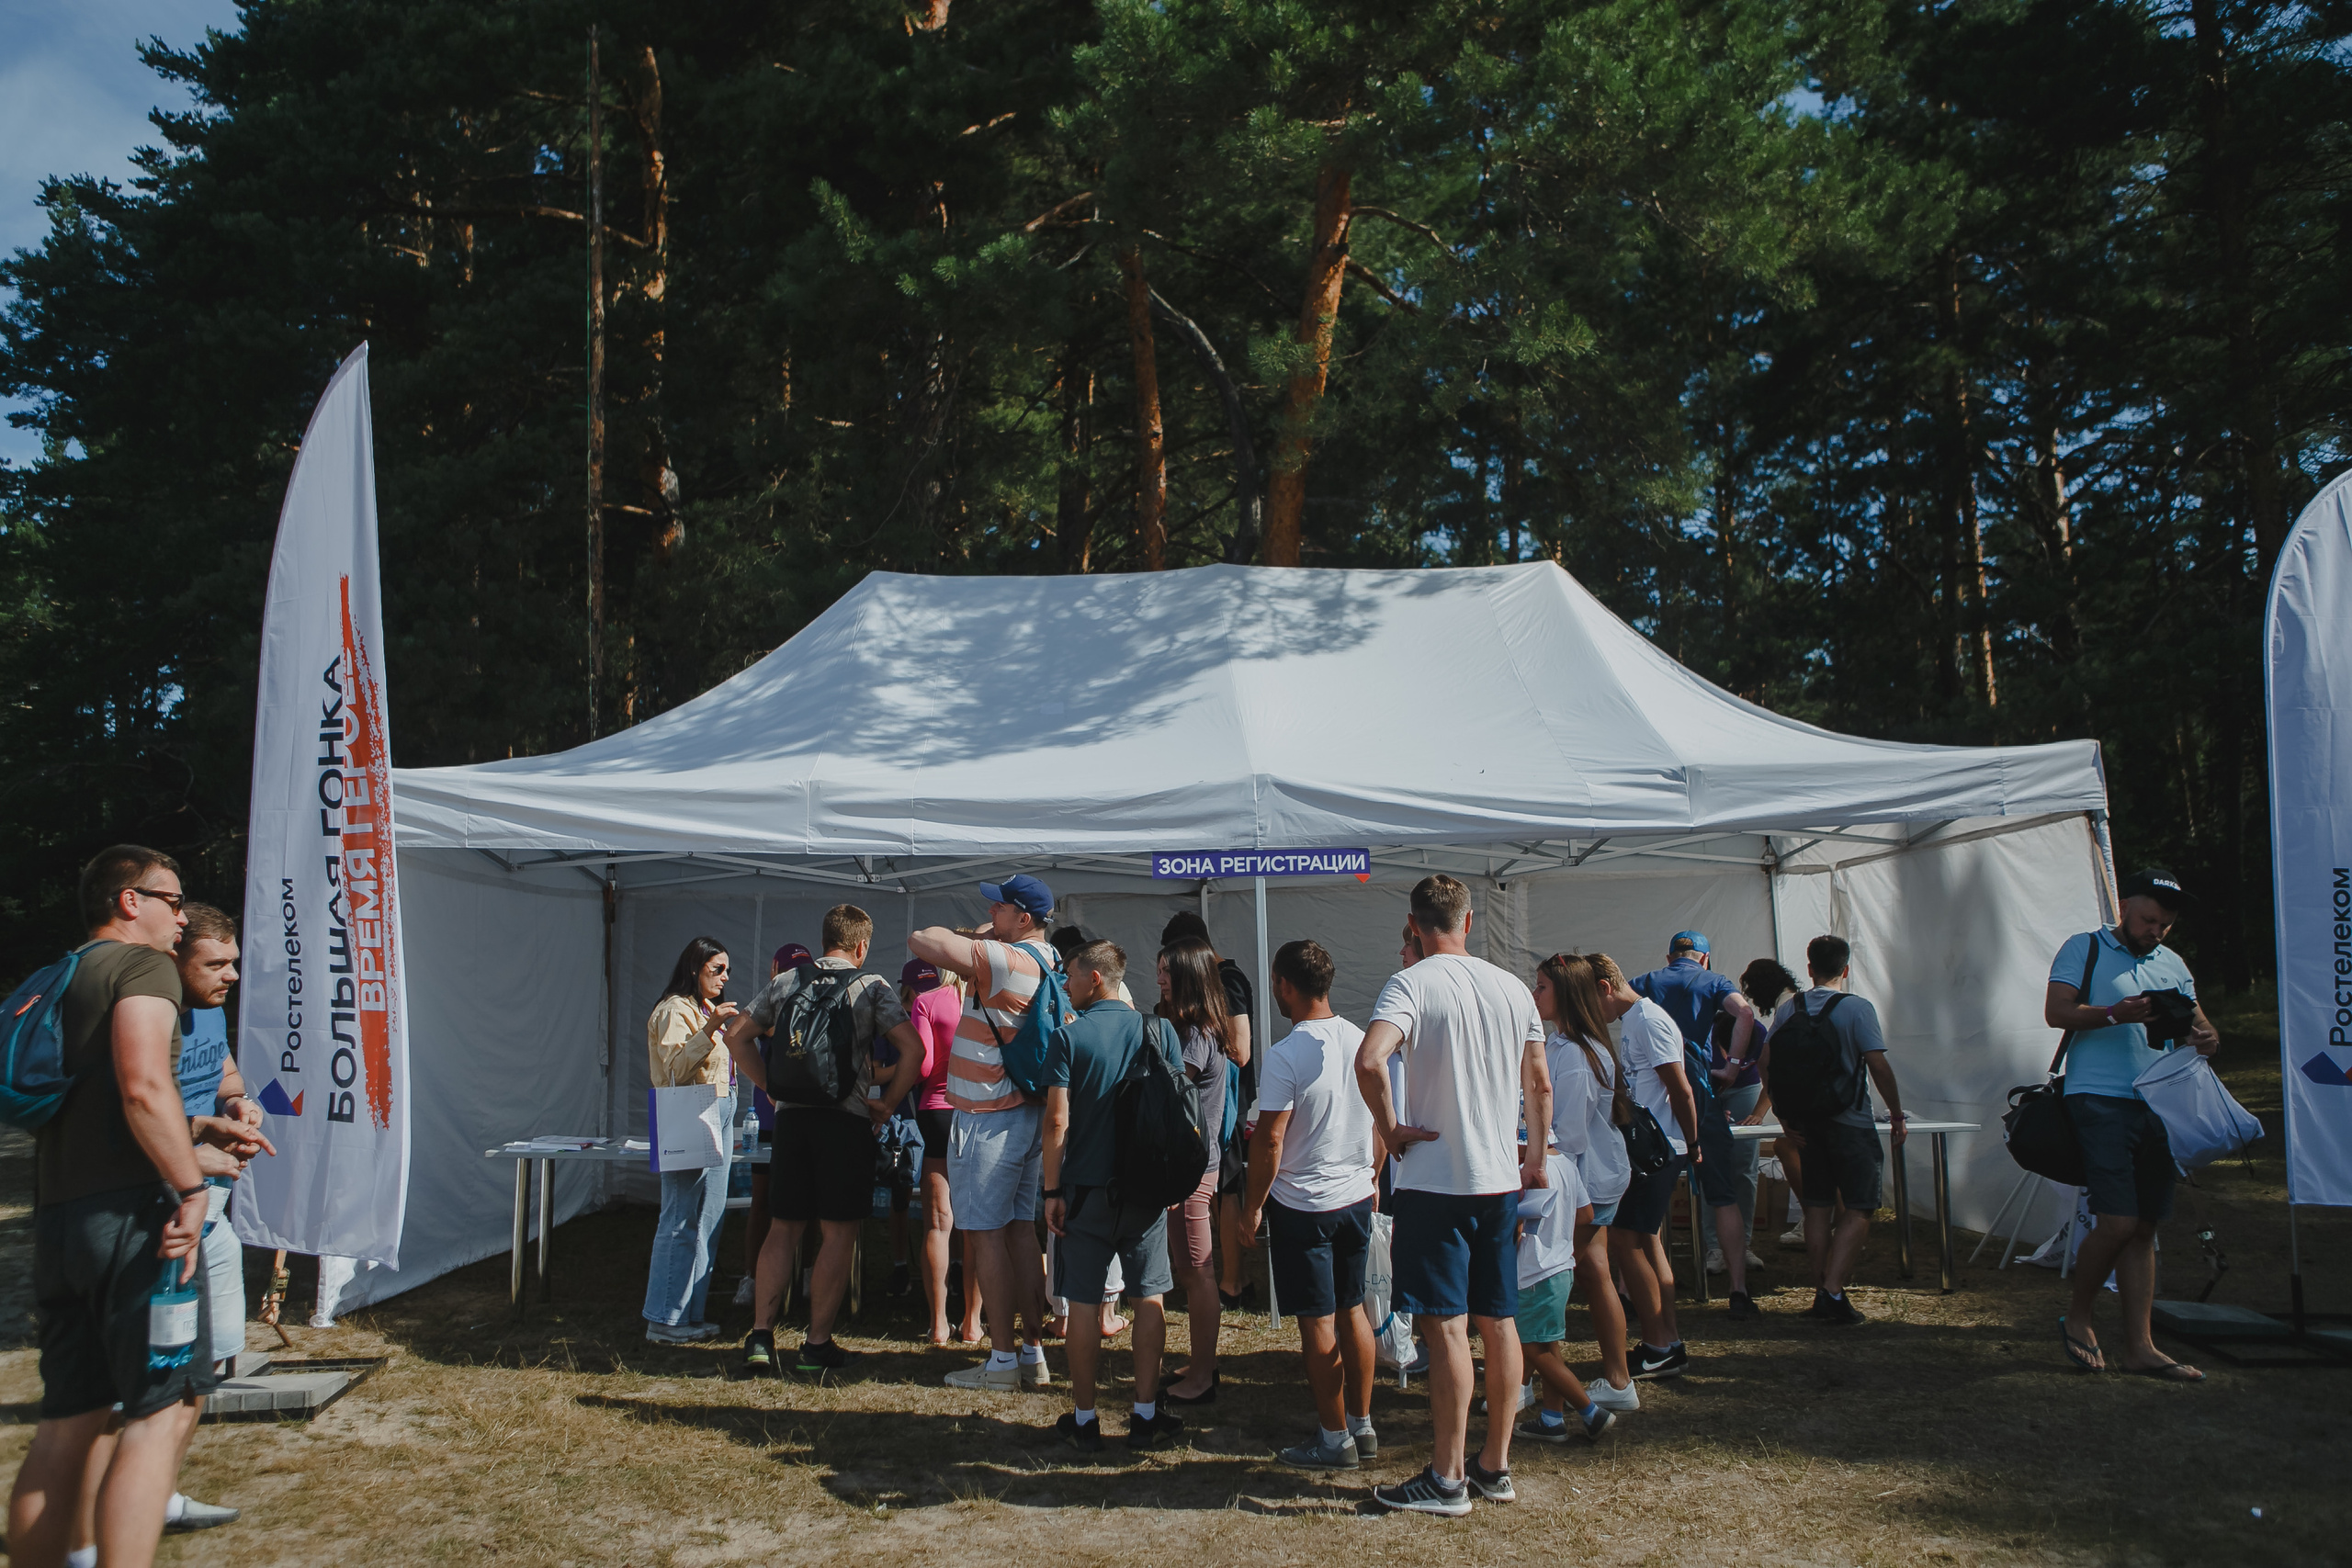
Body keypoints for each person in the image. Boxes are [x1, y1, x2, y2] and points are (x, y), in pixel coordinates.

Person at [10, 845, 272, 1568]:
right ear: (131, 900)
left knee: (67, 1423)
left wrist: (199, 1132)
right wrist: (191, 1187)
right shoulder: (142, 966)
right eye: (174, 901)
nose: (182, 919)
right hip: (134, 1225)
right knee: (164, 1410)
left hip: (63, 1223)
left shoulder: (59, 976)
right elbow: (141, 1087)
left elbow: (98, 1111)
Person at [1353, 875, 1550, 1517]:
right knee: (1500, 1320)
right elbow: (1540, 1084)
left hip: (1436, 1179)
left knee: (1446, 1327)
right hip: (1496, 1178)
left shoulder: (1411, 982)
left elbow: (1370, 1059)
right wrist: (1535, 1161)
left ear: (1414, 924)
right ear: (1468, 920)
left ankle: (1446, 1477)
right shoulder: (1513, 986)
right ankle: (1493, 1466)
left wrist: (1389, 1127)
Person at [722, 905, 922, 1376]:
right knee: (838, 1232)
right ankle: (816, 1344)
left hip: (792, 1121)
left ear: (825, 938)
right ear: (861, 946)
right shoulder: (871, 987)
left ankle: (760, 1337)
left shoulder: (786, 981)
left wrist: (771, 1085)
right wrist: (888, 1103)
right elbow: (914, 1050)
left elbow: (736, 1037)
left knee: (783, 1226)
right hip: (845, 1121)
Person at [2043, 870, 2216, 1380]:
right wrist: (2116, 1014)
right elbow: (2057, 1013)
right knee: (2117, 1221)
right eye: (2148, 920)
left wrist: (2204, 1041)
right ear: (2125, 907)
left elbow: (2204, 1030)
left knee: (2144, 1228)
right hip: (2098, 1099)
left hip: (2161, 1104)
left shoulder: (2172, 964)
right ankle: (2079, 1315)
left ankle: (2141, 1347)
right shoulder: (2084, 948)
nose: (2156, 931)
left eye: (2164, 925)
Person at [908, 874, 1063, 1392]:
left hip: (987, 1115)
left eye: (1000, 907)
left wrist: (982, 939)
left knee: (985, 1234)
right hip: (1023, 1112)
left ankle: (1000, 1359)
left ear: (1024, 919)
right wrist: (994, 934)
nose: (991, 911)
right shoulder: (1049, 959)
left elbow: (922, 940)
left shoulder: (1005, 960)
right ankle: (1031, 1354)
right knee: (1020, 1231)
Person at [1037, 940, 1183, 1453]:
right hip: (1146, 1190)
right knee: (1149, 1297)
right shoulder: (1159, 1030)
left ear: (1094, 979)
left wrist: (1051, 1189)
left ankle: (1085, 1419)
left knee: (1081, 1304)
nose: (1065, 985)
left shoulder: (1068, 1038)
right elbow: (1176, 1115)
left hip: (1084, 1190)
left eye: (1071, 976)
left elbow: (1057, 1121)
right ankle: (1145, 1414)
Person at [1242, 940, 1379, 1470]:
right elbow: (1380, 1120)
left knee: (1319, 1321)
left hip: (1305, 1203)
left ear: (1284, 985)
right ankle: (1361, 1425)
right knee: (1353, 1310)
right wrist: (1373, 1176)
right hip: (1353, 1195)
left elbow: (1270, 1140)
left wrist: (1252, 1207)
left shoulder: (1286, 1054)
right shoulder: (1362, 1040)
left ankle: (1334, 1436)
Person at [1758, 934, 1906, 1325]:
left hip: (1807, 1125)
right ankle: (1834, 1291)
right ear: (1846, 969)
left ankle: (1822, 1288)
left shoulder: (1791, 1008)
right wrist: (1896, 1114)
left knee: (1818, 1207)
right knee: (1859, 1207)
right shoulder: (1857, 1008)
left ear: (1809, 969)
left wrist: (1784, 1115)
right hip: (1850, 1123)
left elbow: (1765, 1060)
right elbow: (1877, 1064)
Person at [1533, 953, 1638, 1412]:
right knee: (1591, 1273)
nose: (1534, 995)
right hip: (1586, 1174)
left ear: (1566, 994)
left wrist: (1551, 1188)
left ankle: (1614, 1380)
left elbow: (1569, 1135)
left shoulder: (1575, 1054)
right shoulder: (1564, 1045)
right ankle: (1615, 1378)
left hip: (1586, 1178)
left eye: (1540, 987)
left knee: (1578, 1274)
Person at [1590, 952, 1700, 1379]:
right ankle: (1664, 1340)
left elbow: (1681, 1090)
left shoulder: (1648, 1022)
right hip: (1651, 1147)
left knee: (1626, 1241)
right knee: (1645, 1242)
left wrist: (1691, 1143)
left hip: (1657, 1150)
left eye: (1590, 998)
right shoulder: (1637, 1020)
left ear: (1605, 988)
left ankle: (1660, 1343)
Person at [1630, 933, 1758, 1292]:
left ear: (1669, 956)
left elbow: (1608, 1003)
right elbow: (1745, 1013)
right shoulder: (1713, 980)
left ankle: (1634, 1289)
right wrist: (1732, 1067)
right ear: (1704, 958)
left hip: (1654, 1098)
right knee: (1723, 1195)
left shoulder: (1649, 981)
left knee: (1645, 1200)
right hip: (1698, 1091)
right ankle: (1738, 1290)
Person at [641, 937, 741, 1344]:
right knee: (681, 1218)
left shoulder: (704, 1009)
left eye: (727, 970)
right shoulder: (673, 1010)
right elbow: (674, 1071)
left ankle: (688, 1314)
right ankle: (664, 1318)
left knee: (708, 1219)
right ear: (694, 968)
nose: (724, 977)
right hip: (691, 1110)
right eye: (716, 969)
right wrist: (712, 1027)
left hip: (720, 1108)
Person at [1158, 912, 1259, 1310]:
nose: (1162, 976)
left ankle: (1233, 1281)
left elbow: (1241, 1051)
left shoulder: (1226, 983)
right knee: (1217, 1191)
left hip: (1221, 1108)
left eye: (1168, 965)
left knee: (1228, 1187)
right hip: (1213, 1109)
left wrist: (1206, 1051)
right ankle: (1233, 1278)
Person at [1155, 937, 1234, 1405]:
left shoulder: (1193, 1034)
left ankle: (1203, 1373)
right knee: (1191, 1270)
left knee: (1198, 1272)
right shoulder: (1201, 1027)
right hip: (1192, 1166)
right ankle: (1202, 1361)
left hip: (1190, 1169)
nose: (1160, 979)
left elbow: (1171, 1098)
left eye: (1167, 971)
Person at [1703, 958, 1799, 1319]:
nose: (1731, 1059)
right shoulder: (1703, 1032)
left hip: (1746, 1092)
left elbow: (1769, 1074)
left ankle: (1742, 1246)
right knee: (1711, 1171)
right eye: (1725, 1053)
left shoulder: (1758, 1032)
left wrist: (1760, 1111)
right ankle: (1714, 1247)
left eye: (1736, 1054)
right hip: (1711, 1090)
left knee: (1743, 1167)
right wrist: (1712, 1106)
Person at [1511, 1130, 1613, 1446]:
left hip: (1533, 1273)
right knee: (1549, 1347)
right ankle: (1552, 1419)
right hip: (1561, 1267)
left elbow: (1513, 1228)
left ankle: (1590, 1411)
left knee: (1531, 1348)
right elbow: (1587, 1214)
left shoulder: (1523, 1172)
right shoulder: (1567, 1165)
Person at [735, 942, 814, 1308]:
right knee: (762, 1201)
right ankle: (751, 1277)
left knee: (810, 1202)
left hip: (805, 1116)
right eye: (788, 972)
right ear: (774, 972)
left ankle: (808, 1273)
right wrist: (771, 1087)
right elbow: (744, 1034)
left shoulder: (818, 1002)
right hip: (768, 1119)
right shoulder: (770, 1000)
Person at [900, 957, 965, 1345]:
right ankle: (974, 1321)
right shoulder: (989, 1000)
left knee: (938, 1223)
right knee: (977, 1224)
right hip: (977, 1113)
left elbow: (922, 1067)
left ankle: (939, 1323)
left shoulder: (929, 1001)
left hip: (937, 1111)